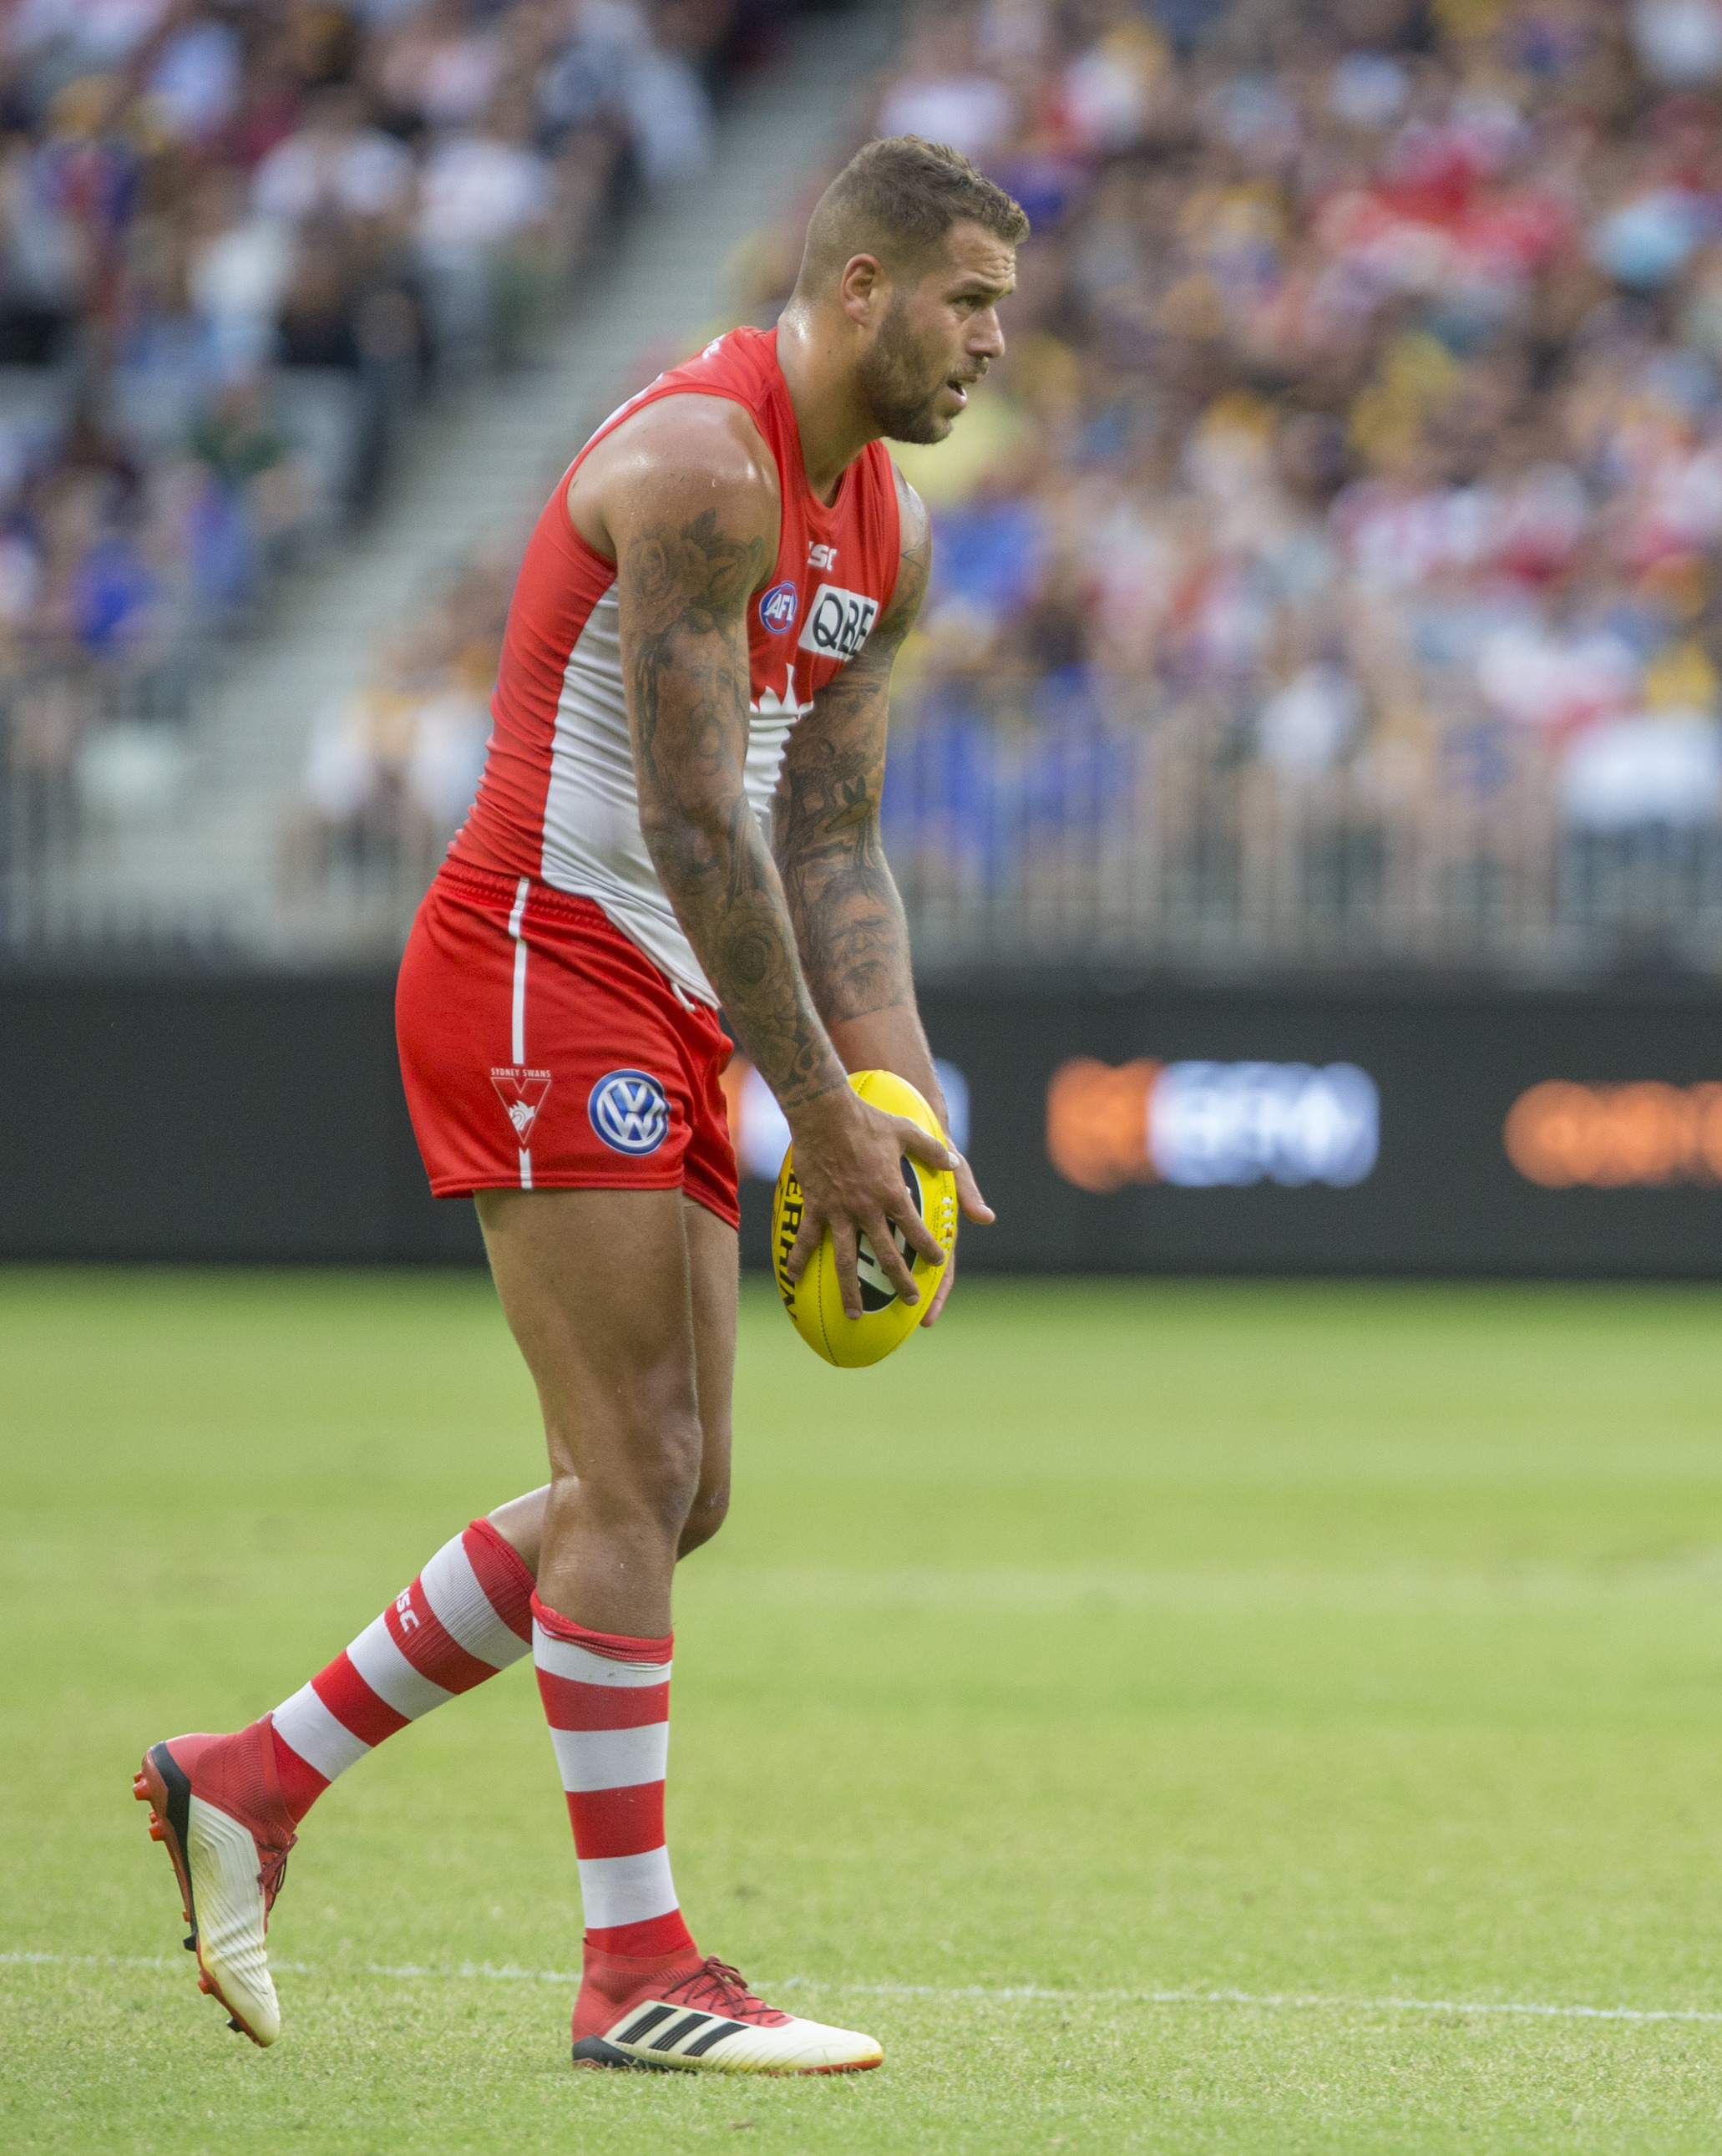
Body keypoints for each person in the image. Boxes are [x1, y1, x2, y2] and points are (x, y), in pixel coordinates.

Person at [131, 136, 1027, 2073]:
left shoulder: (893, 528)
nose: (989, 343)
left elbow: (834, 837)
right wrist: (824, 1113)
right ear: (858, 286)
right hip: (545, 963)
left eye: (1005, 310)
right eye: (966, 299)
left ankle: (251, 1777)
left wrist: (909, 1100)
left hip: (663, 994)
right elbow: (703, 822)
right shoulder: (706, 470)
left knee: (678, 1488)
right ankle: (636, 1973)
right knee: (632, 1470)